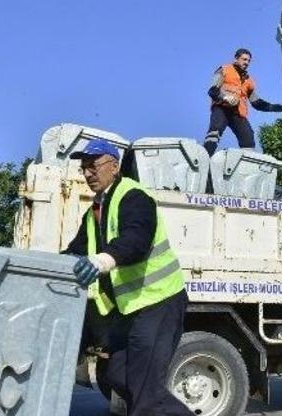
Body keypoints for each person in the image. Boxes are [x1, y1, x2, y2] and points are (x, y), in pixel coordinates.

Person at [63, 139, 192, 416]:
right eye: (83, 168)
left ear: (114, 165)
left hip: (159, 301)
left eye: (93, 166)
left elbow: (137, 239)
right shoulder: (94, 212)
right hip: (131, 309)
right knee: (115, 376)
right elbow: (75, 250)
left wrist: (101, 261)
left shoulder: (134, 196)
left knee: (145, 395)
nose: (87, 174)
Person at [204, 48, 282, 156]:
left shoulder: (248, 81)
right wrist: (224, 97)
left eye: (248, 61)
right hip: (221, 108)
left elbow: (258, 104)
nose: (246, 63)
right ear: (236, 59)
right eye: (244, 59)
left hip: (238, 114)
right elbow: (212, 91)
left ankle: (245, 168)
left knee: (248, 138)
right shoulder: (224, 69)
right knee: (215, 130)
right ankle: (204, 160)